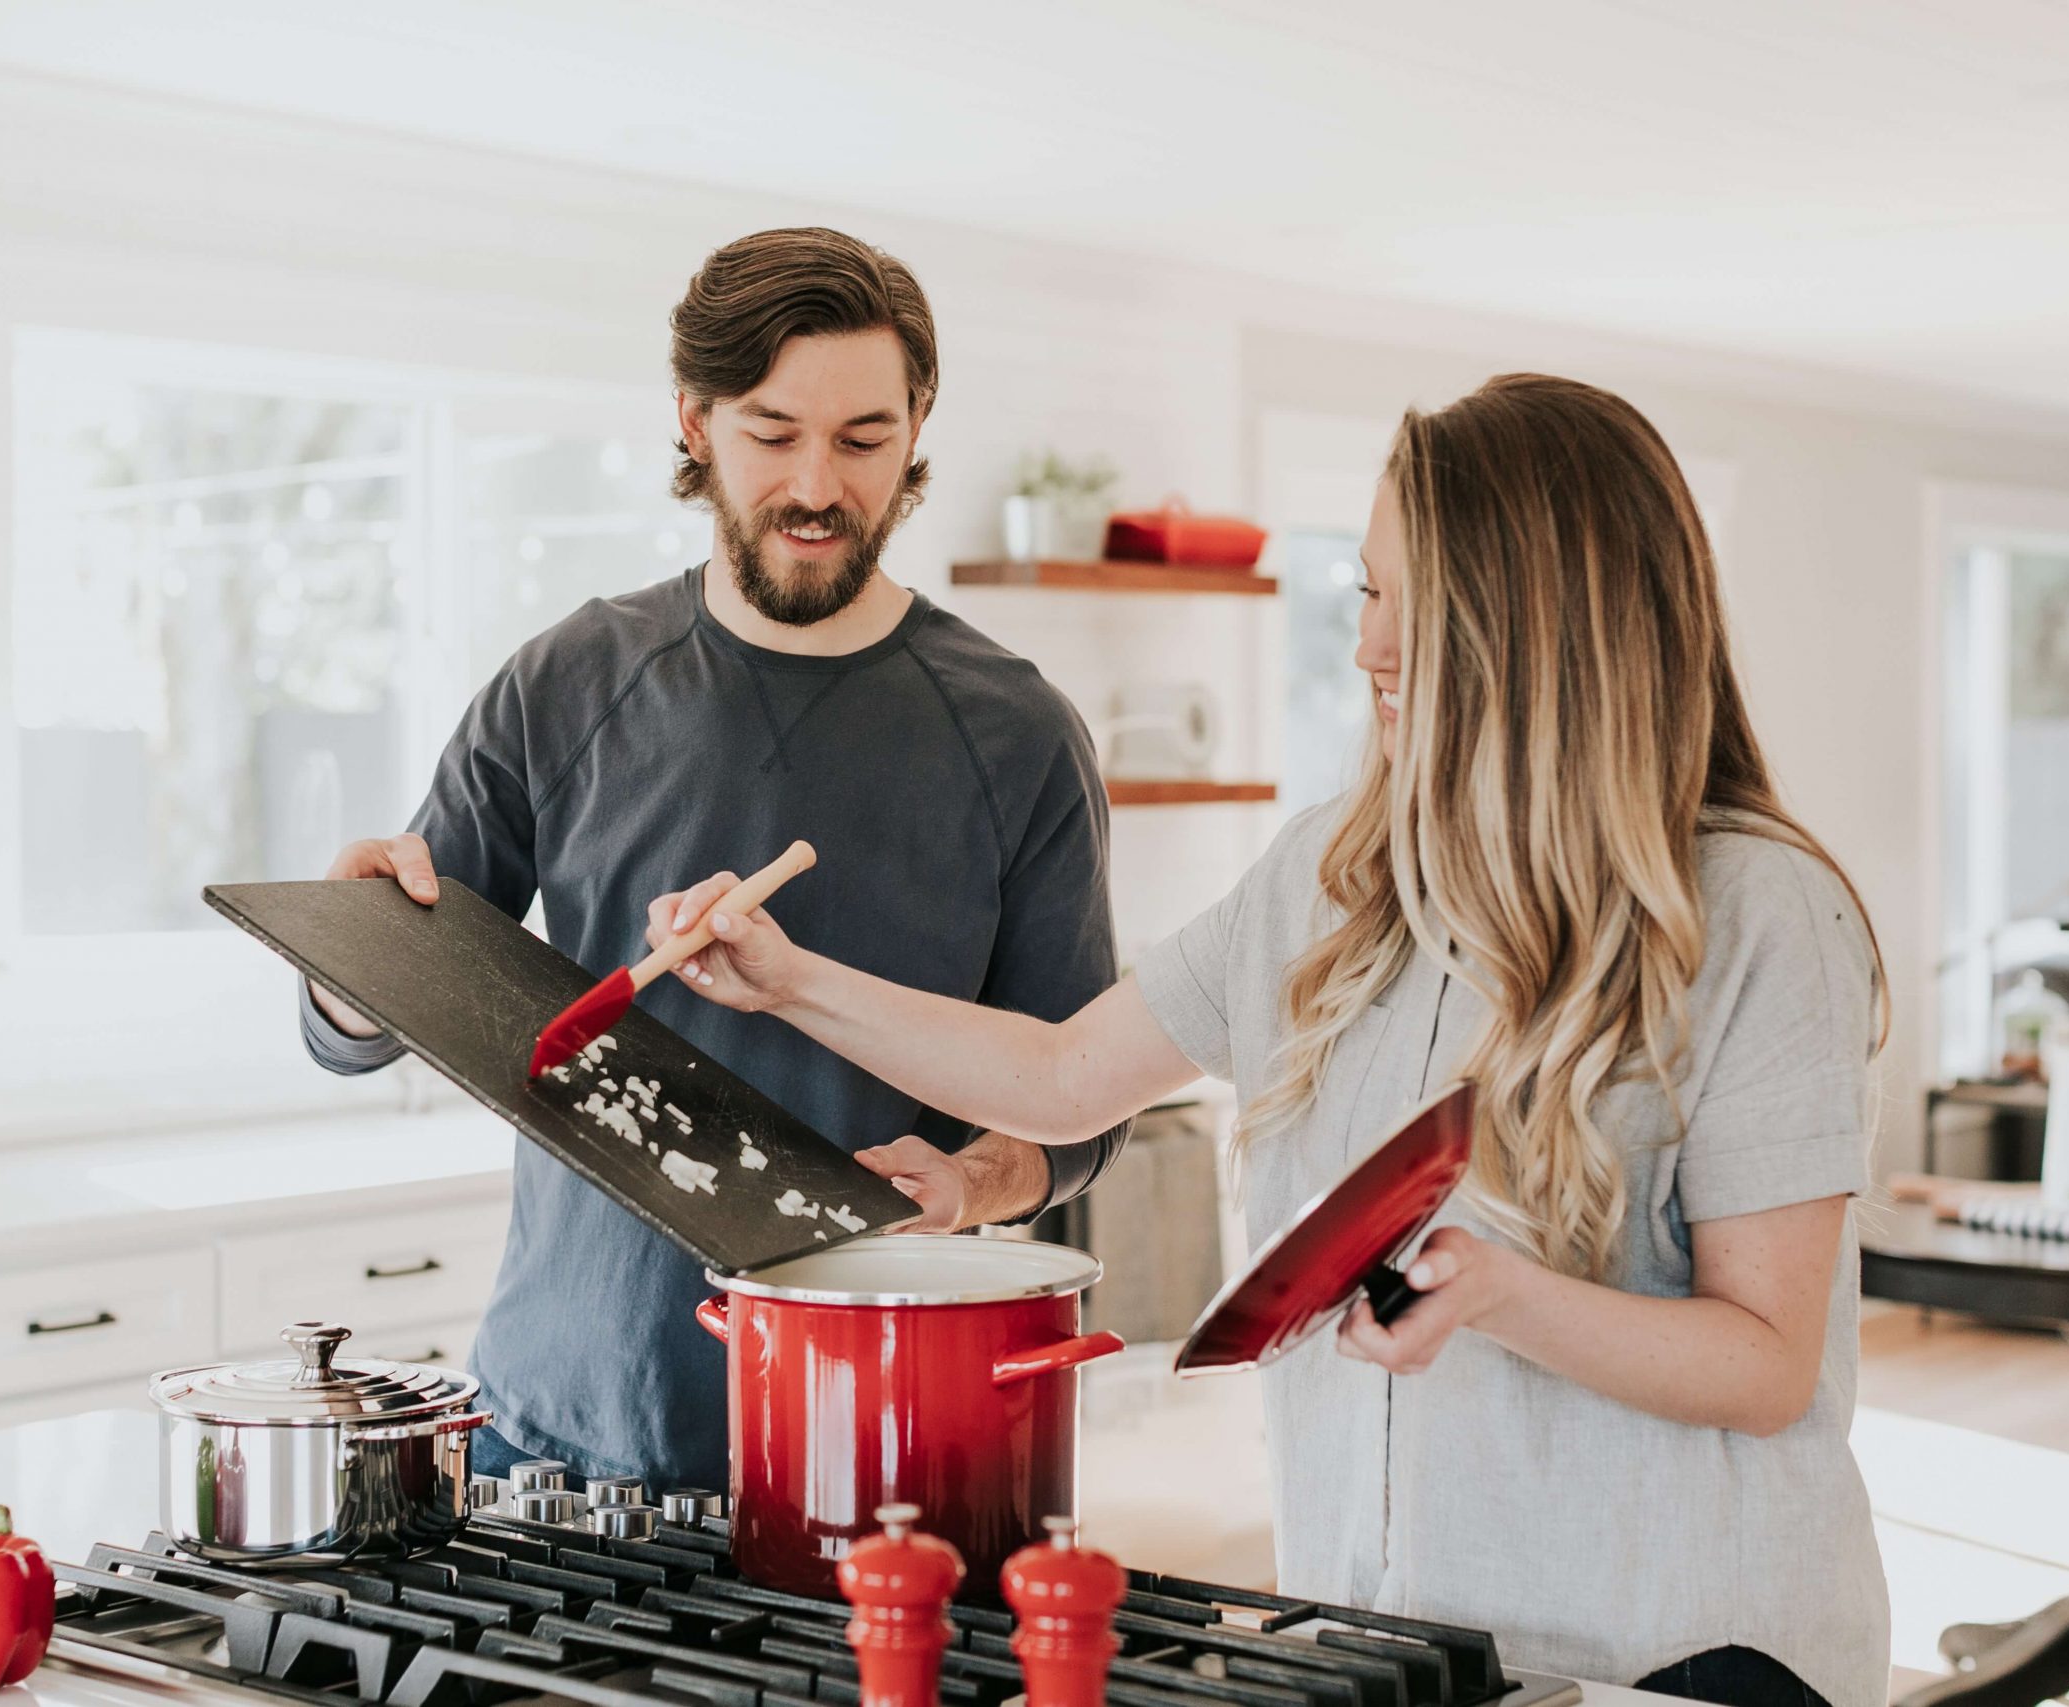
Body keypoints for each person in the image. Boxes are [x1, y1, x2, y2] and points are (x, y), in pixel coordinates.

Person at [649, 374, 1890, 1707]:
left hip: (1681, 1655)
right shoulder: (1329, 879)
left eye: (1420, 602)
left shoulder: (1760, 911)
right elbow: (1066, 1075)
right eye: (1366, 591)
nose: (1371, 647)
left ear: (1548, 627)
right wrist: (788, 980)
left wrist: (1504, 1291)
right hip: (1394, 1647)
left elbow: (1768, 1361)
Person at [298, 227, 1129, 1495]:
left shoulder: (1017, 735)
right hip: (554, 1433)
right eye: (770, 432)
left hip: (880, 1441)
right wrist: (347, 963)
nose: (816, 484)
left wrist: (972, 1181)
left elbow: (1081, 1109)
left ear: (915, 429)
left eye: (861, 439)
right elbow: (376, 1007)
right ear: (693, 421)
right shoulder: (566, 682)